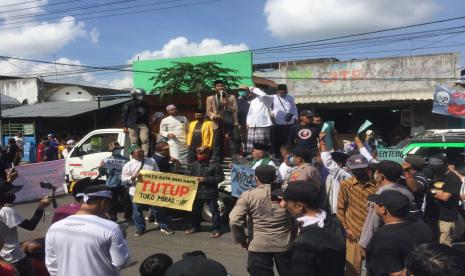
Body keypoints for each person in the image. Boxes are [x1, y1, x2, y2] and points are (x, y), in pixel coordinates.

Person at [45, 185, 130, 276]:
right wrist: (123, 239)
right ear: (104, 202)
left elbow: (52, 264)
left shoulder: (55, 227)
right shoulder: (111, 227)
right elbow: (121, 262)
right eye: (109, 204)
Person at [229, 165, 292, 276]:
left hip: (259, 245)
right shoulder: (286, 194)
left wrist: (242, 240)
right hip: (284, 243)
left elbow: (234, 220)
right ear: (275, 177)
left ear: (255, 178)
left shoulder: (249, 195)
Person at [280, 181, 346, 276]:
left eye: (286, 201)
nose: (282, 204)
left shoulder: (303, 243)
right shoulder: (335, 223)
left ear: (299, 206)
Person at [365, 190, 433, 276]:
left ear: (383, 209)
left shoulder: (384, 239)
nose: (374, 205)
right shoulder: (422, 226)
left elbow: (398, 274)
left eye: (377, 203)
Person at [0, 177, 51, 276]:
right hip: (15, 258)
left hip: (3, 257)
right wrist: (41, 207)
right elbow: (30, 226)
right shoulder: (7, 211)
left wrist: (9, 180)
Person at [359, 160, 414, 250]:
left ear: (381, 176)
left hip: (382, 241)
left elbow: (373, 222)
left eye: (376, 171)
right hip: (403, 238)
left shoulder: (381, 195)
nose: (375, 173)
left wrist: (365, 243)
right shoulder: (406, 192)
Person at [336, 154, 377, 276]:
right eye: (356, 169)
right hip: (353, 234)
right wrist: (346, 229)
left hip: (373, 234)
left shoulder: (376, 185)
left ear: (367, 168)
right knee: (352, 270)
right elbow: (340, 208)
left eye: (361, 168)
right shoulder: (346, 185)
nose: (359, 171)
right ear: (350, 169)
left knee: (375, 269)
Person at [121, 145, 174, 236]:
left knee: (158, 208)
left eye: (141, 151)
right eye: (138, 152)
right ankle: (140, 227)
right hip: (135, 191)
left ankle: (163, 226)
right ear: (132, 154)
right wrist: (133, 177)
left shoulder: (151, 161)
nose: (141, 153)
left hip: (151, 190)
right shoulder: (128, 165)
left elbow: (158, 173)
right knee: (137, 211)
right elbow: (123, 179)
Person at [186, 146, 224, 238]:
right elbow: (190, 177)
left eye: (202, 154)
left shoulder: (215, 164)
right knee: (195, 211)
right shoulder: (194, 164)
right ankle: (195, 227)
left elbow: (220, 178)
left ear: (207, 154)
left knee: (214, 212)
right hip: (197, 193)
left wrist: (205, 179)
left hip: (210, 192)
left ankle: (216, 229)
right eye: (198, 154)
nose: (200, 156)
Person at [424, 156, 462, 246]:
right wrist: (436, 192)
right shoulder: (431, 174)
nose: (435, 170)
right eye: (433, 168)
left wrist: (431, 190)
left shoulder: (453, 178)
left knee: (444, 244)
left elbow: (445, 197)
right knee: (432, 242)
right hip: (431, 215)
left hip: (446, 217)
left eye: (437, 168)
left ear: (446, 165)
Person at [319, 132, 352, 214]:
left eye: (334, 162)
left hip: (339, 211)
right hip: (335, 210)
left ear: (339, 164)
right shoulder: (345, 173)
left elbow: (327, 161)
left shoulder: (342, 174)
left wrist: (322, 142)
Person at [206, 79, 238, 161]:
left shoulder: (231, 97)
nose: (220, 87)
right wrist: (214, 116)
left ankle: (233, 160)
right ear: (214, 88)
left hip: (229, 122)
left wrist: (227, 104)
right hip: (217, 122)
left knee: (231, 141)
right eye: (218, 86)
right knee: (217, 142)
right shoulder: (210, 98)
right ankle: (217, 161)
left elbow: (235, 109)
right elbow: (208, 111)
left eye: (222, 85)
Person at [99, 142, 131, 222]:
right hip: (111, 184)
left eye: (118, 149)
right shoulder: (106, 160)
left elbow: (130, 171)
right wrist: (101, 167)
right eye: (115, 149)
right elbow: (102, 173)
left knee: (126, 201)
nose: (117, 150)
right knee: (112, 203)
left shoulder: (126, 159)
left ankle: (128, 217)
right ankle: (113, 217)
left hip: (123, 183)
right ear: (112, 151)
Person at [242, 85, 274, 154]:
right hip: (253, 124)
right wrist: (248, 122)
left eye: (252, 92)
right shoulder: (253, 101)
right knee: (252, 143)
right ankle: (253, 155)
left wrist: (254, 89)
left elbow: (263, 94)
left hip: (263, 124)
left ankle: (263, 155)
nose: (251, 93)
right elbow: (250, 113)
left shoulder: (267, 99)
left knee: (261, 144)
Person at [122, 88, 150, 156]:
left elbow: (147, 115)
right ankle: (135, 155)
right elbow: (124, 116)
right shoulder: (127, 104)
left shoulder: (145, 104)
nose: (141, 96)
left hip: (143, 125)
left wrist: (148, 125)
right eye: (139, 95)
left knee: (145, 140)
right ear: (134, 95)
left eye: (142, 95)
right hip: (132, 125)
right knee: (134, 142)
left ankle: (144, 156)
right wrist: (124, 126)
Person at [399, 155, 429, 219]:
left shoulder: (421, 177)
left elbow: (414, 188)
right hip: (400, 213)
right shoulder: (401, 174)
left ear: (409, 165)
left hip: (412, 215)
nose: (403, 163)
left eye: (405, 162)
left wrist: (406, 171)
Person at [272, 84, 298, 157]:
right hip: (278, 122)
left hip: (289, 122)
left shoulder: (290, 97)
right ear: (277, 91)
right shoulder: (273, 97)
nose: (283, 94)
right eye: (281, 92)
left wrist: (295, 117)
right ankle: (278, 155)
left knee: (289, 140)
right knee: (279, 140)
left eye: (285, 92)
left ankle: (290, 154)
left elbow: (294, 108)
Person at [237, 87, 252, 155]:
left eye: (243, 90)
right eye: (240, 90)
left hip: (250, 123)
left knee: (249, 137)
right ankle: (243, 151)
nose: (241, 91)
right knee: (242, 137)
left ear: (247, 91)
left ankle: (250, 152)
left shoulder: (252, 99)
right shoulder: (237, 100)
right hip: (240, 122)